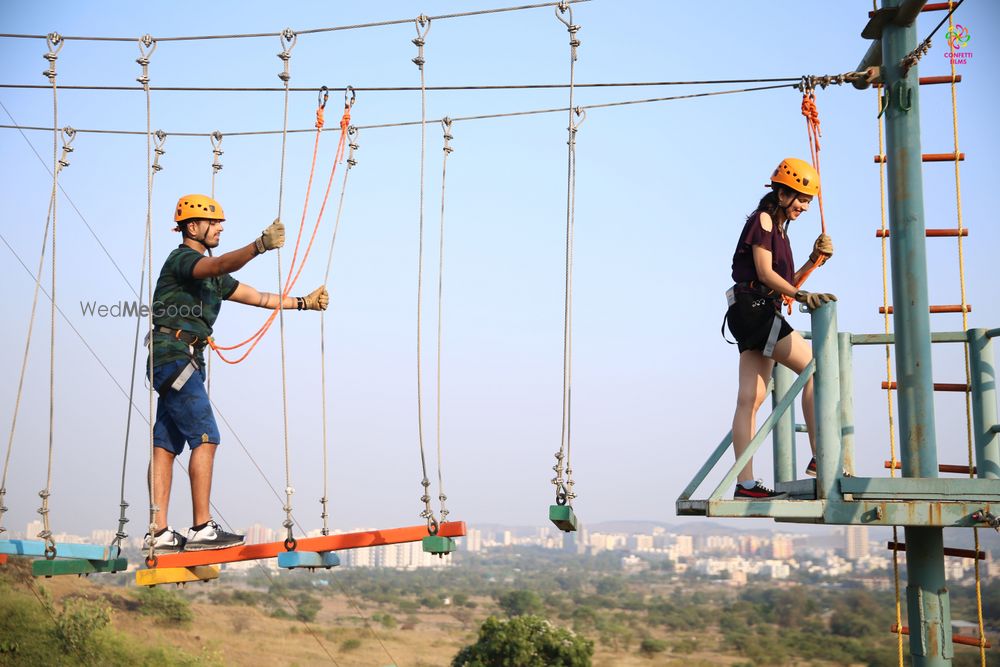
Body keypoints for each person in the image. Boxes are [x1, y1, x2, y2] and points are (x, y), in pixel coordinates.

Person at [143, 194, 329, 552]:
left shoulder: (213, 277)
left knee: (165, 445)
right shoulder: (183, 259)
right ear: (192, 227)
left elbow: (257, 296)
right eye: (212, 223)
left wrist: (304, 303)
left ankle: (159, 531)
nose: (219, 229)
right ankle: (201, 528)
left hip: (177, 359)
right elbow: (217, 266)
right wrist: (259, 246)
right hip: (177, 357)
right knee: (206, 437)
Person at [724, 158, 836, 500]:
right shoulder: (764, 220)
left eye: (808, 201)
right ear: (782, 191)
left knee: (750, 398)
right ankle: (821, 457)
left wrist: (814, 260)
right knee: (815, 370)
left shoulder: (779, 230)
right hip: (756, 310)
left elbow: (784, 282)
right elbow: (764, 273)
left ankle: (745, 485)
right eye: (800, 198)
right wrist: (802, 294)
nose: (803, 206)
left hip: (748, 310)